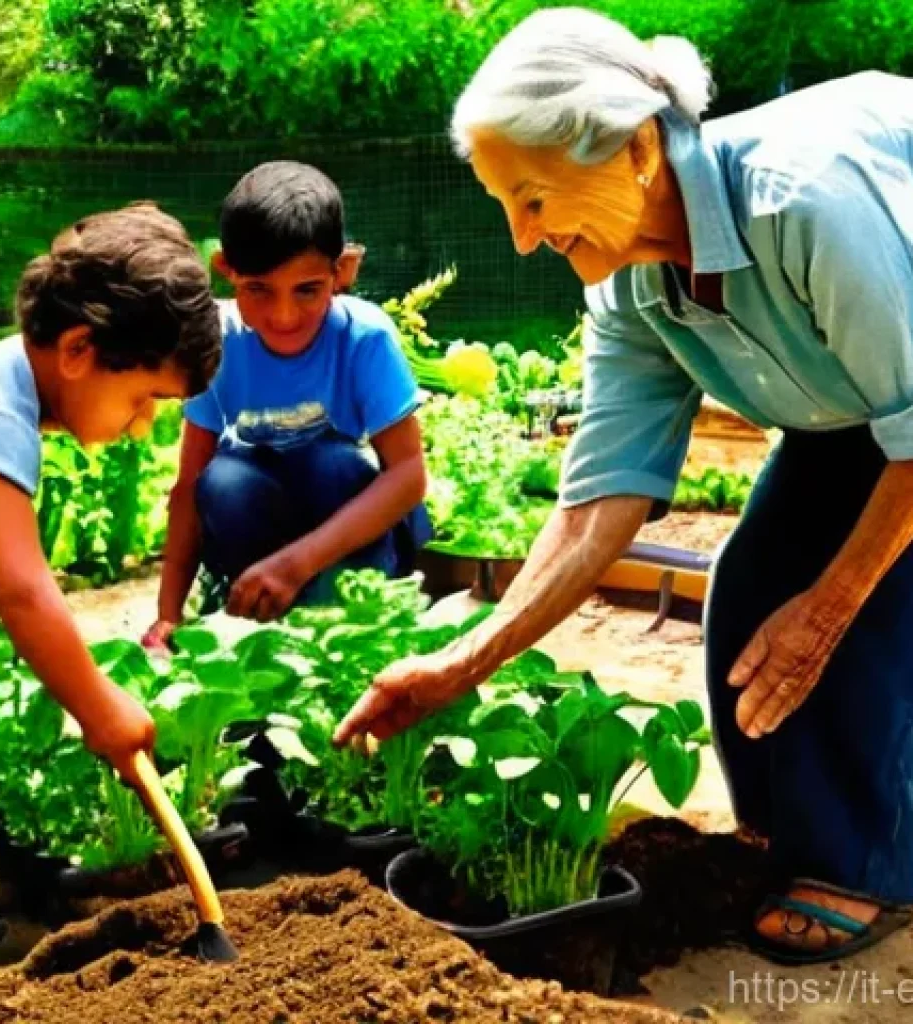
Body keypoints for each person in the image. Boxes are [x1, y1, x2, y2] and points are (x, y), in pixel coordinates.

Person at [335, 7, 913, 964]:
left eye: (533, 199)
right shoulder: (631, 285)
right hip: (860, 405)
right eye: (502, 207)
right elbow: (600, 500)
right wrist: (462, 663)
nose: (521, 241)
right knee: (753, 594)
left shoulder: (801, 202)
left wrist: (833, 606)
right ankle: (789, 837)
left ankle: (874, 864)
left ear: (638, 146)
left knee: (863, 625)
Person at [0, 203, 222, 1002]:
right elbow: (22, 588)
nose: (145, 427)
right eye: (144, 398)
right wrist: (99, 704)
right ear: (79, 350)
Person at [143, 161, 430, 639]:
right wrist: (167, 615)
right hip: (260, 519)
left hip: (341, 529)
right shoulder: (218, 346)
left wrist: (298, 564)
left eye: (307, 290)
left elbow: (407, 475)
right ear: (226, 272)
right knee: (223, 481)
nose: (284, 315)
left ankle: (363, 600)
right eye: (259, 289)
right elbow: (188, 489)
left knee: (334, 465)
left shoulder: (365, 338)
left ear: (341, 273)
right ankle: (246, 599)